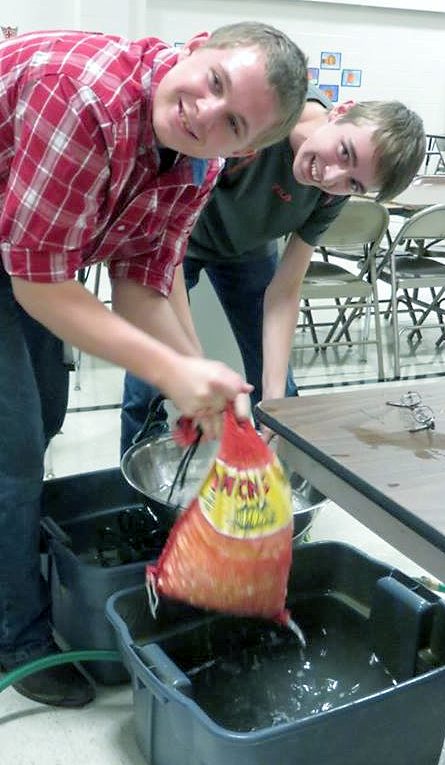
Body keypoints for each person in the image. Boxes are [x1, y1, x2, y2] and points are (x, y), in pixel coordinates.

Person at [0, 24, 308, 707]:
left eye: (231, 121)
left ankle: (15, 551)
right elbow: (38, 286)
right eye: (214, 81)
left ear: (247, 149)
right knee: (12, 448)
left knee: (46, 408)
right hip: (23, 258)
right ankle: (15, 634)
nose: (203, 112)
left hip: (28, 247)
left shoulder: (200, 162)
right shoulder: (84, 97)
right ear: (196, 46)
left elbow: (141, 275)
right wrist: (172, 375)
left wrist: (196, 377)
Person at [121, 89, 426, 452]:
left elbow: (284, 292)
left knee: (279, 397)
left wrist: (274, 399)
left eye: (354, 183)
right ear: (341, 111)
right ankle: (139, 495)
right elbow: (168, 253)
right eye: (345, 151)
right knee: (152, 379)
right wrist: (194, 362)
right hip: (177, 238)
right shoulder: (262, 116)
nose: (330, 176)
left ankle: (276, 484)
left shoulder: (333, 191)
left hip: (246, 249)